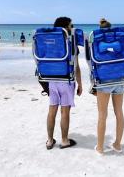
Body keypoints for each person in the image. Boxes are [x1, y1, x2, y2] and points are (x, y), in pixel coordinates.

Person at [46, 17, 83, 150]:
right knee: (65, 112)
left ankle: (50, 141)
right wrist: (80, 84)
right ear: (66, 27)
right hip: (66, 80)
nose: (72, 27)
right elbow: (77, 66)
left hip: (51, 80)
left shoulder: (49, 42)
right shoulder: (71, 42)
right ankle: (64, 140)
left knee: (52, 111)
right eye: (71, 25)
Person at [94, 18, 124, 155]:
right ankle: (117, 144)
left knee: (102, 114)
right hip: (120, 77)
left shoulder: (95, 39)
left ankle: (100, 148)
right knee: (119, 112)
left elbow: (91, 62)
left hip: (104, 78)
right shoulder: (121, 39)